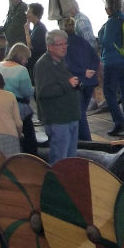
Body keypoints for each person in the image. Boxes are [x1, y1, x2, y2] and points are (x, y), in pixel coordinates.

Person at [35, 29, 80, 163]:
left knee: (71, 159)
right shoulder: (43, 65)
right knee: (59, 159)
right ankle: (55, 183)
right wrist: (68, 84)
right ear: (50, 47)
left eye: (65, 43)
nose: (64, 47)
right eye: (60, 44)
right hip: (58, 120)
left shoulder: (62, 61)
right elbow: (43, 92)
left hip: (71, 116)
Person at [98, 0, 124, 136]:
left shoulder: (112, 22)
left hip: (113, 62)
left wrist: (101, 33)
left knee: (109, 92)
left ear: (108, 9)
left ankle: (118, 122)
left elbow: (106, 42)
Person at [0, 42, 37, 155]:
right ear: (21, 57)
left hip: (2, 106)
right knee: (29, 137)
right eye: (26, 58)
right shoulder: (21, 70)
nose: (27, 61)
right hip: (18, 107)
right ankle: (30, 156)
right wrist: (34, 89)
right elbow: (27, 93)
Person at [63, 16, 99, 141]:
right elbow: (95, 58)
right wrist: (90, 72)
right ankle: (82, 139)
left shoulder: (64, 46)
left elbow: (68, 65)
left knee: (79, 113)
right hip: (89, 82)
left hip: (77, 82)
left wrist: (82, 72)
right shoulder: (83, 42)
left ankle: (86, 140)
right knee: (81, 111)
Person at [27, 2, 47, 68]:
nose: (27, 14)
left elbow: (31, 46)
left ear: (35, 14)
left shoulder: (40, 28)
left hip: (37, 63)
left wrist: (26, 31)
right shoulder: (36, 27)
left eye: (29, 12)